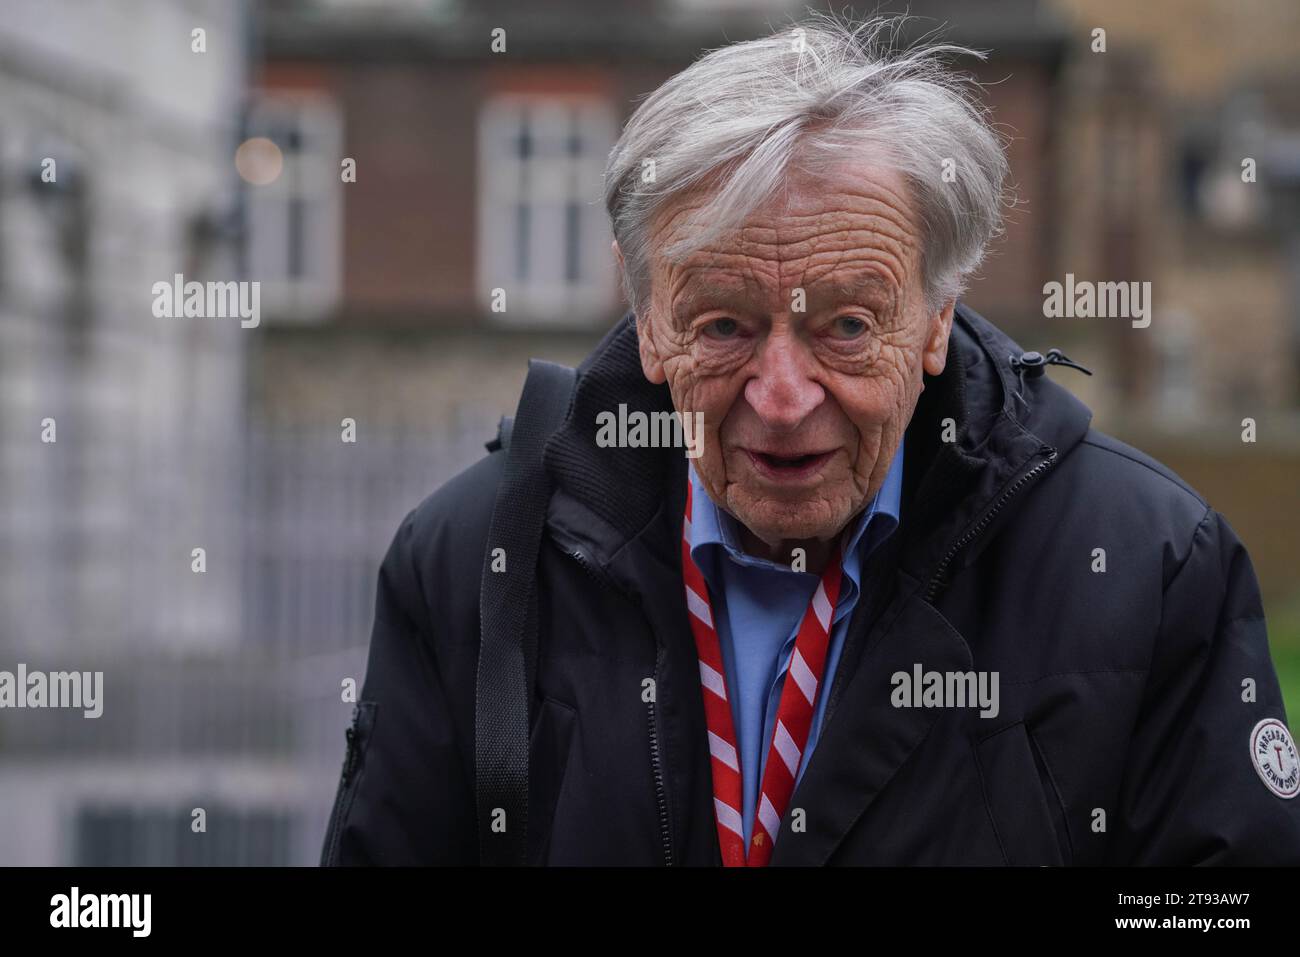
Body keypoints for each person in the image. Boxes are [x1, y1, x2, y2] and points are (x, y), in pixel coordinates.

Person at [321, 14, 1300, 866]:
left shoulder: (1151, 569)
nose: (782, 399)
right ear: (648, 316)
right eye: (723, 327)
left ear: (932, 319)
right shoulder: (474, 562)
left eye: (844, 325)